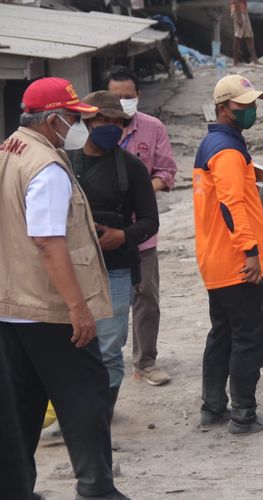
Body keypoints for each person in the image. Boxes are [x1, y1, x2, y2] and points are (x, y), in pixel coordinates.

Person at [0, 77, 128, 499]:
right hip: (49, 305)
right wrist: (78, 307)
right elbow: (48, 240)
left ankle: (14, 489)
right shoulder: (46, 166)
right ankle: (96, 489)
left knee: (21, 406)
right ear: (52, 119)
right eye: (73, 117)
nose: (78, 125)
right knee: (86, 396)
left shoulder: (7, 151)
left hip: (11, 303)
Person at [193, 75, 263, 434]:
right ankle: (244, 414)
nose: (250, 110)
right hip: (237, 262)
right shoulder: (228, 151)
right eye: (243, 105)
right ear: (222, 108)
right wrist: (250, 254)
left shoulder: (214, 144)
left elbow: (225, 201)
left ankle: (212, 407)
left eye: (253, 104)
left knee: (223, 334)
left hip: (215, 258)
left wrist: (259, 194)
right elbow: (232, 207)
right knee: (251, 338)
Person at [70, 91, 160, 424]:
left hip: (117, 270)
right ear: (87, 122)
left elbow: (151, 220)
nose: (109, 127)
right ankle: (74, 414)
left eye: (115, 122)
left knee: (109, 347)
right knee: (72, 344)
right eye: (101, 120)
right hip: (72, 269)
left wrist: (122, 236)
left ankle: (99, 416)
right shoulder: (66, 163)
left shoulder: (133, 169)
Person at [106, 66, 178, 387]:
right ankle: (103, 363)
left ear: (139, 96)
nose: (123, 103)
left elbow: (167, 171)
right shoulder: (93, 130)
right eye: (116, 97)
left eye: (128, 96)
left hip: (142, 231)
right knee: (104, 299)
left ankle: (145, 361)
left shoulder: (152, 128)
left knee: (146, 295)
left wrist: (143, 191)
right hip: (101, 234)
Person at [230, 0, 260, 65]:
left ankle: (255, 60)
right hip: (238, 11)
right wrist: (239, 17)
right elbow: (236, 2)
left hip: (243, 11)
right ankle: (235, 62)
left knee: (249, 36)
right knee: (238, 36)